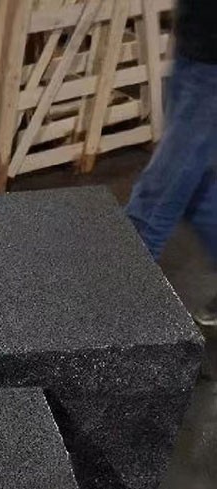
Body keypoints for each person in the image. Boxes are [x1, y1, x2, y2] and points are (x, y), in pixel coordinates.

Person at [125, 0, 217, 326]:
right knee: (196, 193)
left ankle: (108, 307)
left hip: (211, 66)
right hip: (193, 47)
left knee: (159, 194)